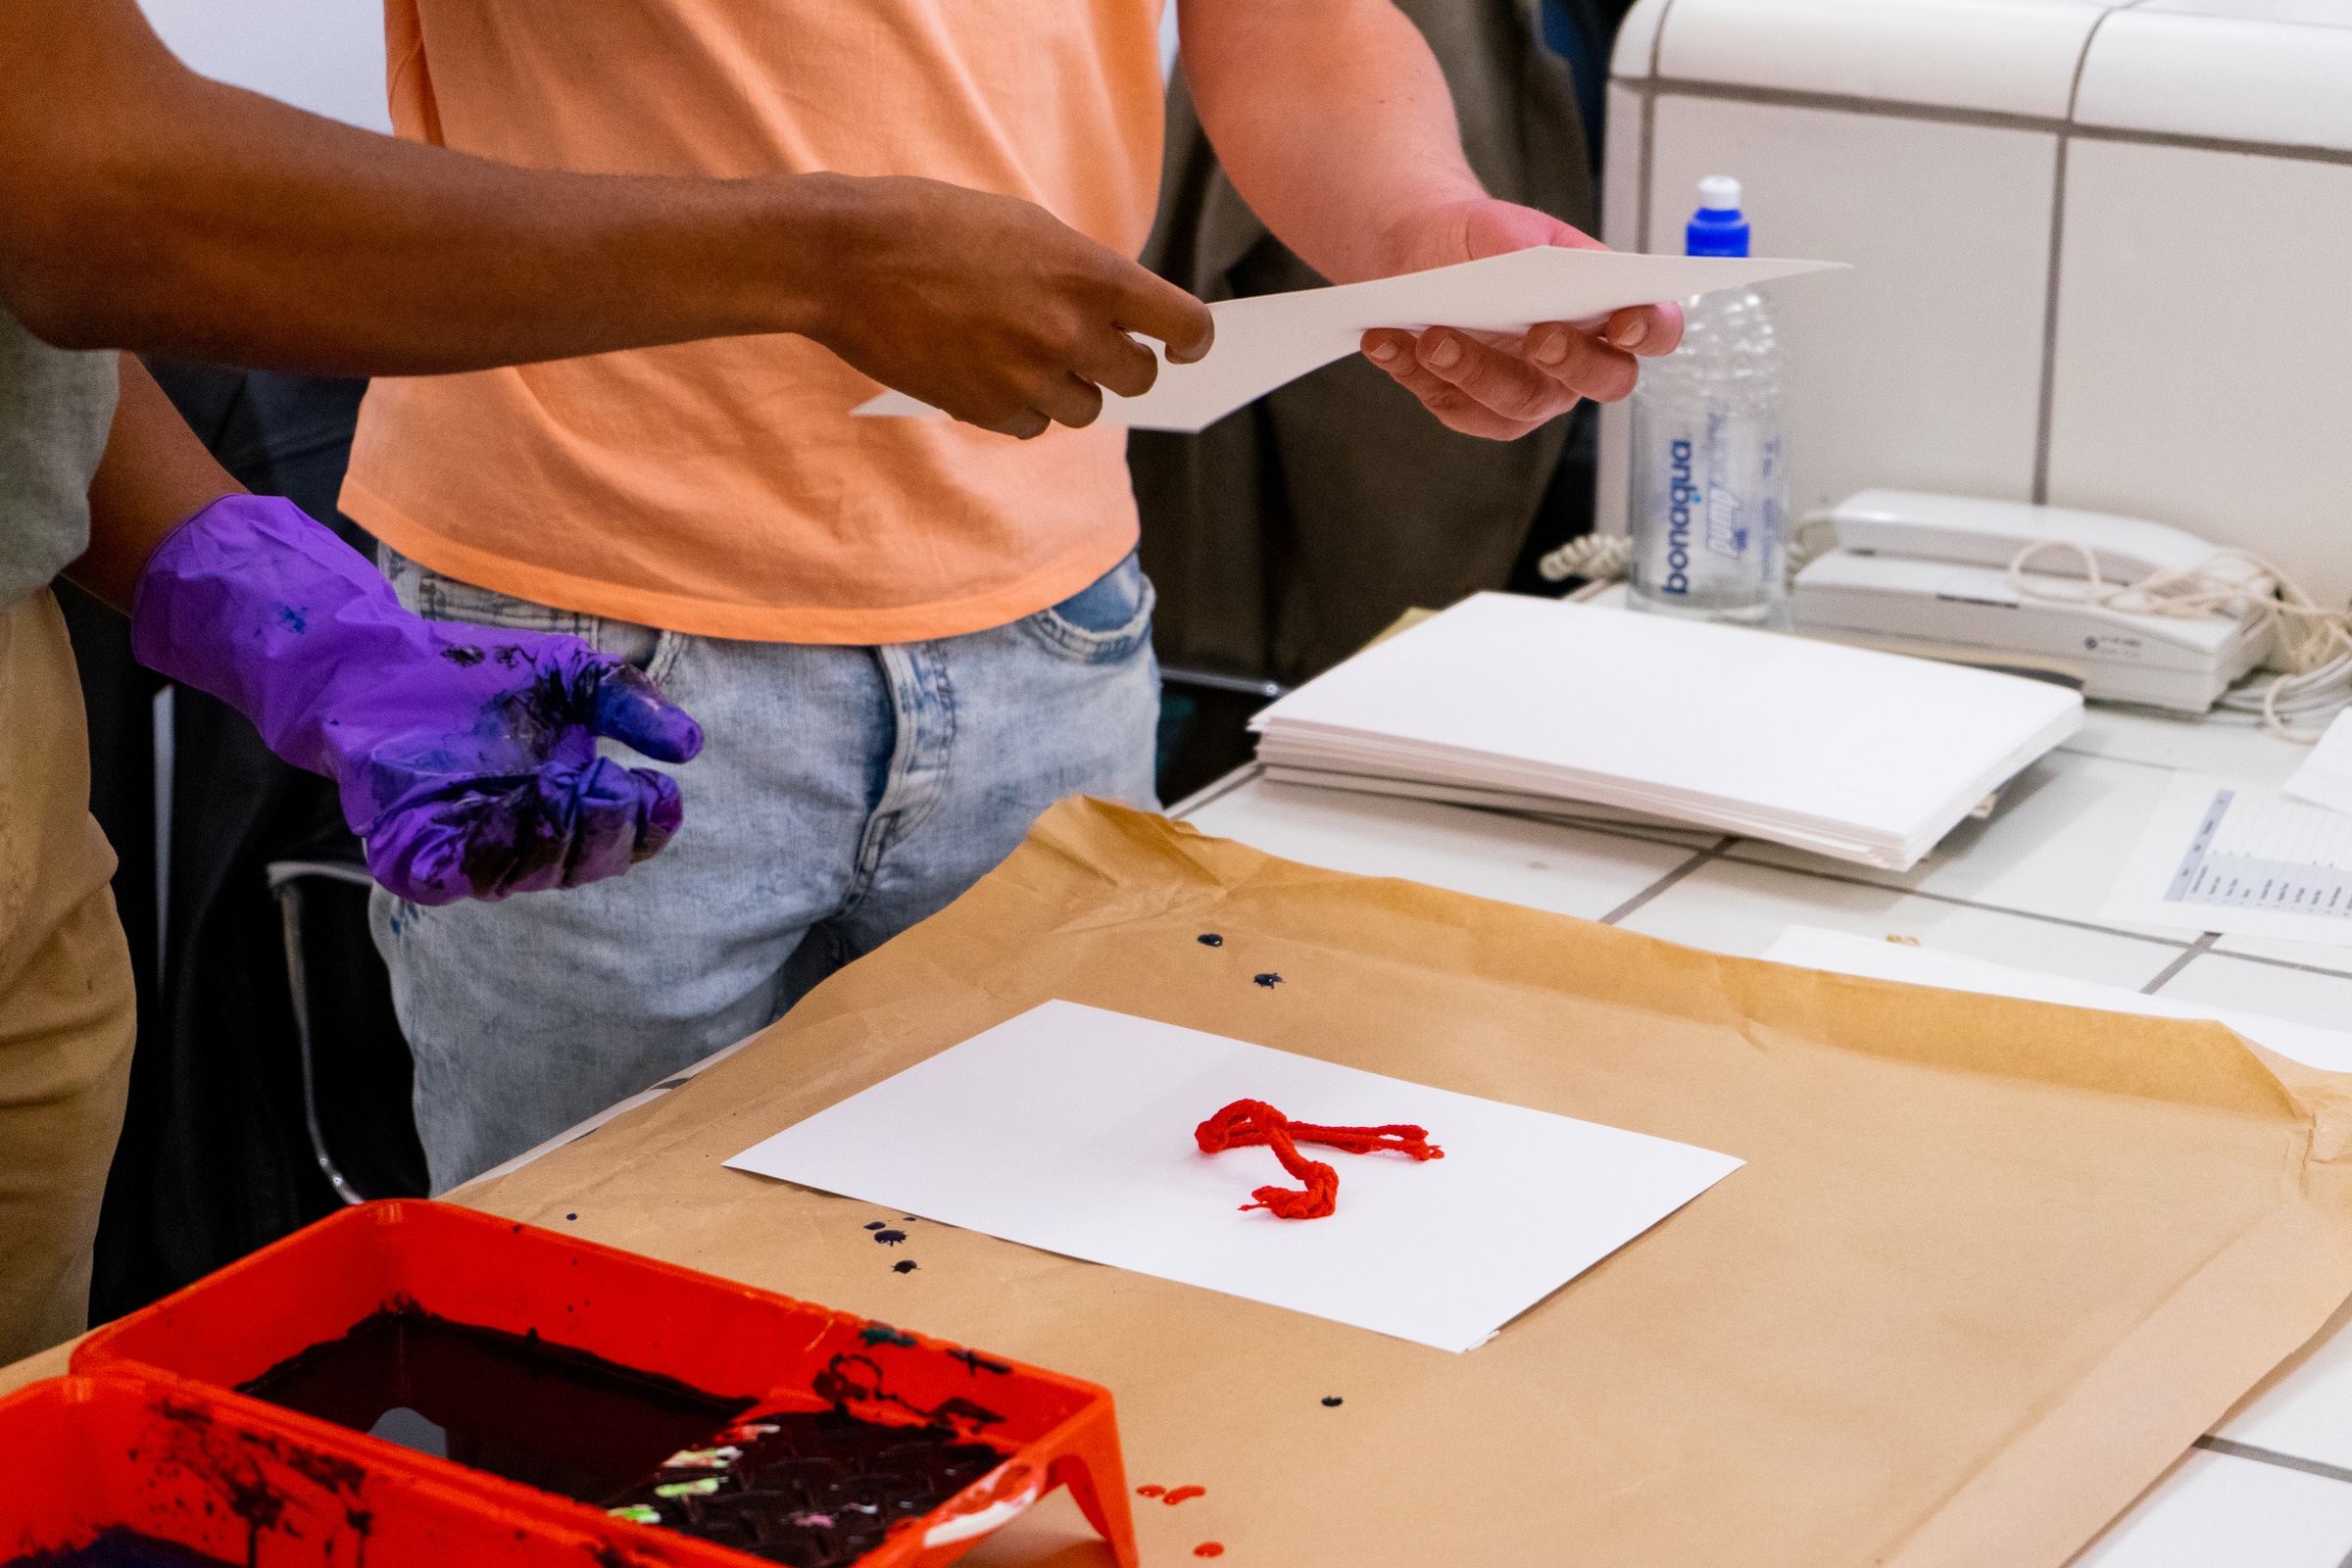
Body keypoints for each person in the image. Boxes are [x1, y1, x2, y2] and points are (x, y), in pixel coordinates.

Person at [0, 0, 1213, 1363]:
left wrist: (267, 607)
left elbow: (31, 251)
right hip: (596, 590)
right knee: (595, 1355)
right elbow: (91, 191)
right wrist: (819, 256)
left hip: (33, 791)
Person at [341, 0, 1688, 1191]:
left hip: (1052, 626)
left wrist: (1416, 227)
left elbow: (1290, 19)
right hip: (585, 628)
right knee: (600, 1337)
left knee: (1040, 1297)